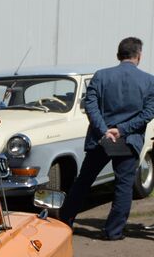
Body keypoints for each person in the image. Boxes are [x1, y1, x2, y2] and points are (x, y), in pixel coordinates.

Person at [60, 36, 154, 240]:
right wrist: (121, 130)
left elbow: (90, 106)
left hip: (100, 139)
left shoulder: (100, 76)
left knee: (84, 181)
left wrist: (105, 130)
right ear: (139, 55)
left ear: (118, 55)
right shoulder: (149, 81)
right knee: (123, 185)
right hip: (128, 139)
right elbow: (148, 113)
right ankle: (113, 231)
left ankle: (64, 221)